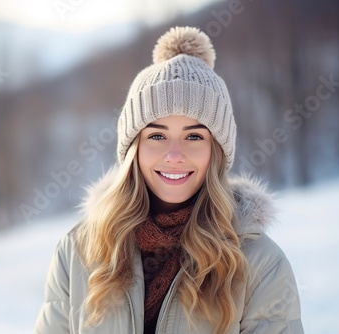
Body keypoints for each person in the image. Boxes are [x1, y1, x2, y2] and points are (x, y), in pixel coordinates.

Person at [34, 26, 303, 334]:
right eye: (157, 135)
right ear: (133, 148)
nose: (174, 155)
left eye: (194, 136)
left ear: (216, 151)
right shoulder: (78, 252)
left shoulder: (260, 264)